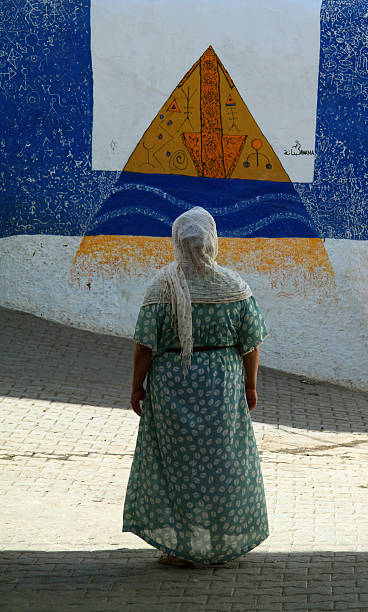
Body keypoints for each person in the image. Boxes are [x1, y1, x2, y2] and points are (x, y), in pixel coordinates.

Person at [123, 206, 269, 567]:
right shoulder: (233, 286)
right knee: (221, 465)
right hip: (221, 385)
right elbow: (250, 344)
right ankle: (218, 543)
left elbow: (145, 344)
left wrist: (136, 387)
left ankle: (182, 547)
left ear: (177, 242)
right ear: (211, 241)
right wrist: (250, 387)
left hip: (173, 384)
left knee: (179, 466)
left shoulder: (162, 285)